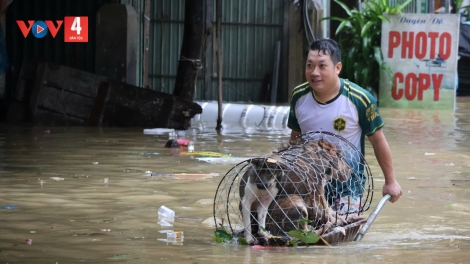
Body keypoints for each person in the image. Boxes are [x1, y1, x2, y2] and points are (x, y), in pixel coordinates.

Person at [287, 38, 402, 213]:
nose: (314, 72)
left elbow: (378, 141)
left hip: (347, 186)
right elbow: (295, 138)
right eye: (310, 66)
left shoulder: (360, 99)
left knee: (338, 232)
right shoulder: (298, 96)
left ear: (338, 68)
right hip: (308, 184)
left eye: (322, 66)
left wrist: (390, 181)